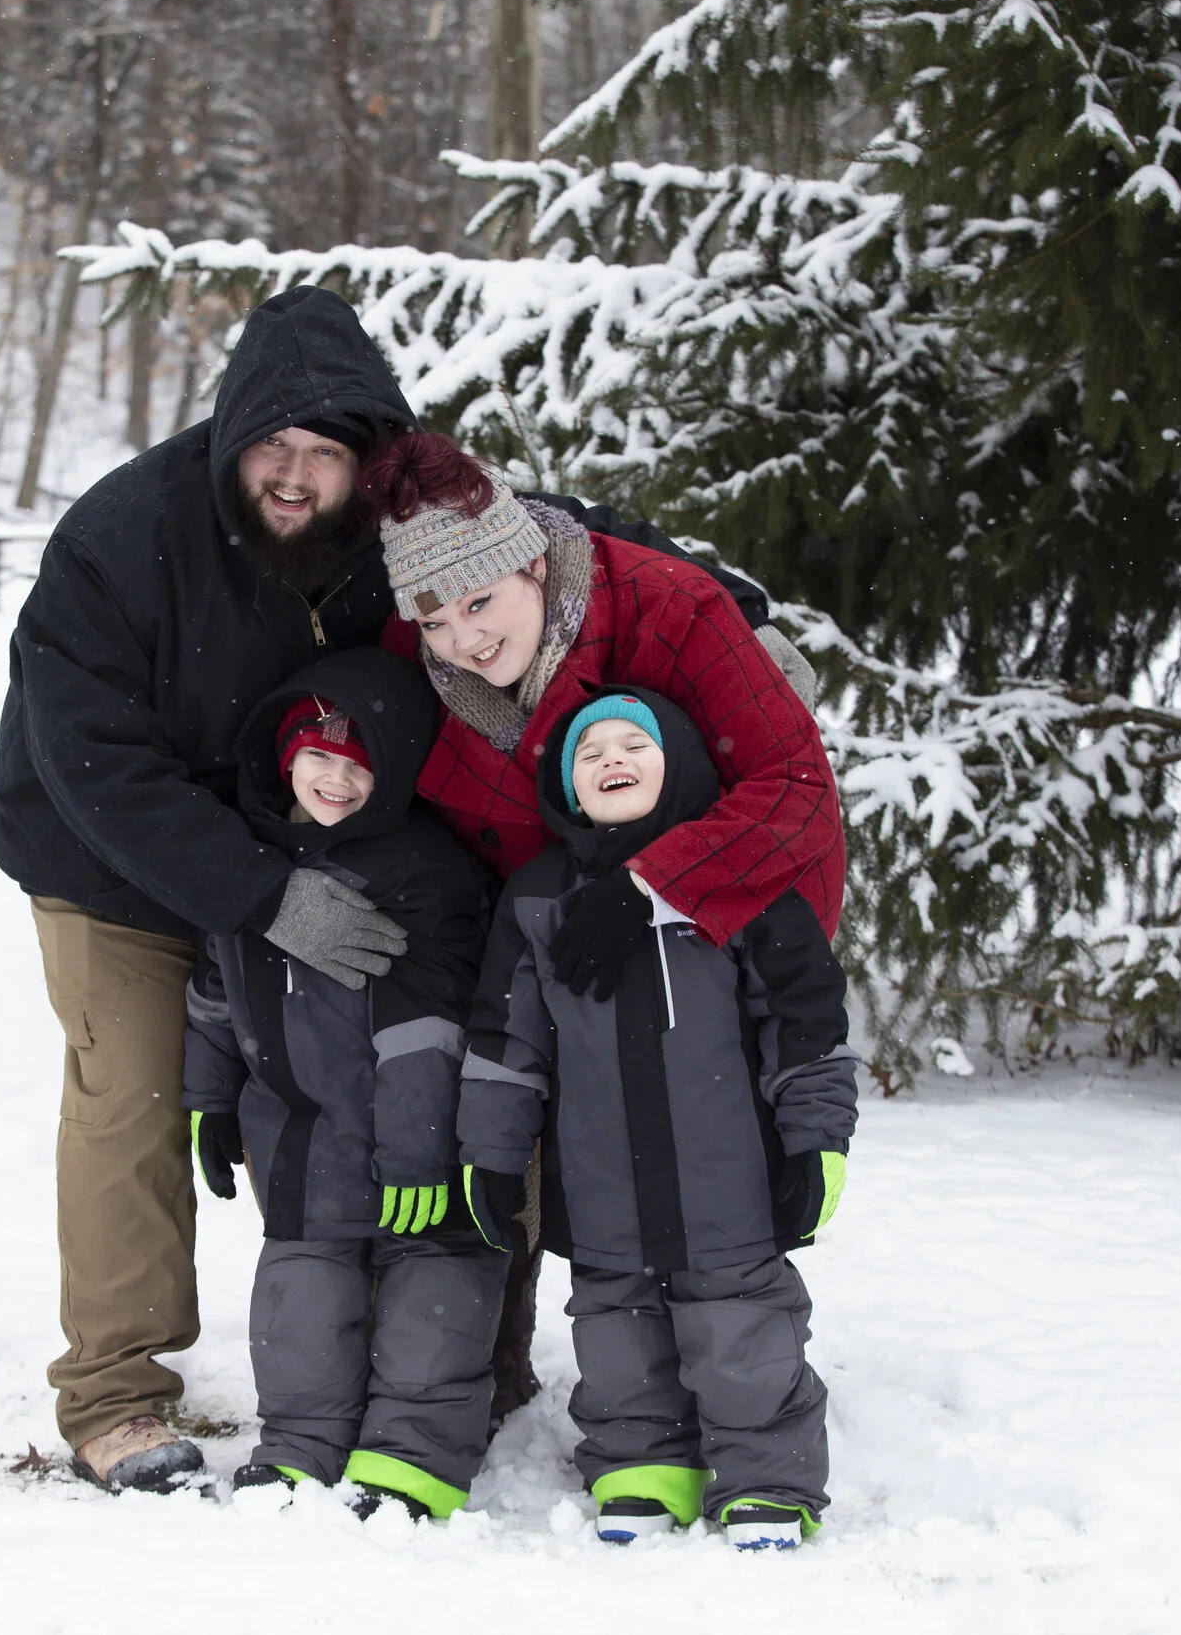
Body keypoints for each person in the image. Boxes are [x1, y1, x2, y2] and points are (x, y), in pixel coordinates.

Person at [0, 286, 776, 1491]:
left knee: (458, 1072)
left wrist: (726, 605)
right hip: (115, 859)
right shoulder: (121, 536)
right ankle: (113, 1392)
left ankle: (460, 1360)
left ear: (372, 460)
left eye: (326, 454)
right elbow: (91, 758)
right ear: (228, 433)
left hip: (350, 839)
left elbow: (555, 533)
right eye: (271, 446)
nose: (295, 477)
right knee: (136, 1099)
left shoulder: (393, 518)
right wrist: (256, 891)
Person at [362, 430, 848, 1420]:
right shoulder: (424, 673)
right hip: (545, 942)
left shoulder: (668, 607)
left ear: (531, 560)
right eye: (435, 618)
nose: (464, 639)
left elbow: (793, 790)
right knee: (540, 1149)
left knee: (711, 1169)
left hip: (723, 917)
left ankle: (747, 1401)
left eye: (481, 603)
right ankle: (544, 1383)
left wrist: (649, 889)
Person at [456, 688, 860, 1550]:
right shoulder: (537, 899)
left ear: (678, 761)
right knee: (615, 1328)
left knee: (742, 1330)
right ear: (567, 787)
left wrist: (815, 1140)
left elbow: (806, 1023)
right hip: (599, 1179)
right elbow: (506, 1042)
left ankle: (766, 1478)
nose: (611, 758)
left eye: (633, 743)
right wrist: (489, 1154)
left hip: (728, 1175)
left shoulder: (736, 873)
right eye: (589, 751)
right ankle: (642, 1462)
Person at [182, 647, 502, 1519]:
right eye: (319, 755)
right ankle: (299, 1443)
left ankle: (412, 1456)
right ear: (284, 753)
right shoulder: (243, 859)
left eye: (360, 764)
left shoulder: (422, 872)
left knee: (433, 1291)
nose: (336, 778)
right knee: (300, 1299)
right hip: (300, 1134)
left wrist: (420, 1155)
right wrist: (209, 1102)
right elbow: (215, 994)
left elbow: (425, 1031)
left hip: (420, 1133)